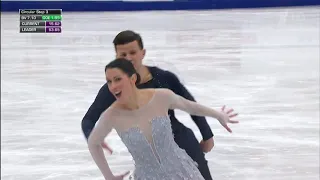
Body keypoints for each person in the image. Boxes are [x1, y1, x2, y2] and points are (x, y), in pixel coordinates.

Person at [82, 30, 235, 179]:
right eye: (123, 55)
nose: (128, 58)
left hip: (182, 142)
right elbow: (88, 120)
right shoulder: (112, 90)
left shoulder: (164, 79)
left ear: (143, 53)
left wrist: (207, 135)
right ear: (116, 57)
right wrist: (94, 137)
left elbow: (190, 104)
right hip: (148, 157)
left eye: (133, 53)